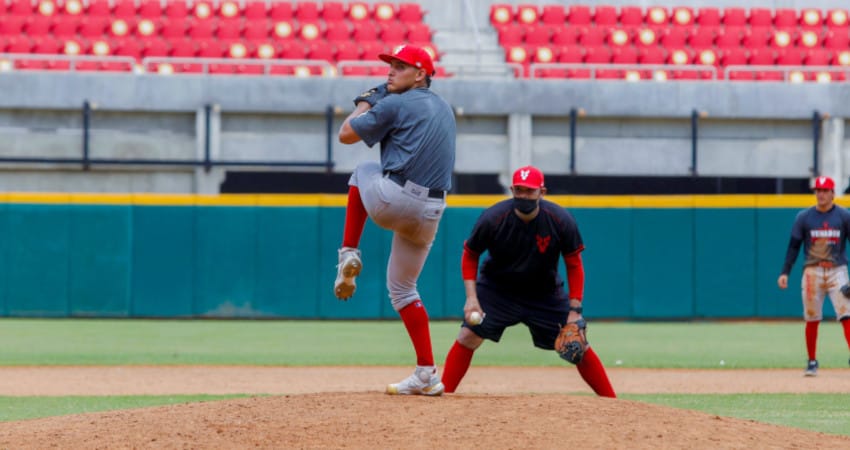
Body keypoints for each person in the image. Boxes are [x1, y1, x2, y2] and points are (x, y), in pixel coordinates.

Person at [335, 44, 456, 396]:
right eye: (390, 65)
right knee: (403, 290)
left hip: (397, 198)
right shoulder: (445, 108)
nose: (390, 71)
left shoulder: (393, 102)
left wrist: (365, 102)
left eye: (401, 66)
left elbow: (345, 134)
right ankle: (426, 373)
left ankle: (348, 252)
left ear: (421, 74)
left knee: (361, 170)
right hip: (432, 211)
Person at [441, 165, 616, 397]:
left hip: (544, 292)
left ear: (542, 192)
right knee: (467, 336)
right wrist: (471, 298)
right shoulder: (493, 218)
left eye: (529, 191)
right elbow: (470, 254)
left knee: (577, 344)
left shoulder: (560, 220)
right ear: (512, 189)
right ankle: (443, 396)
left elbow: (574, 264)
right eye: (519, 190)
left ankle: (613, 403)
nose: (523, 195)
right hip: (497, 290)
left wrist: (575, 310)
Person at [777, 175, 850, 376]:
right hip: (812, 272)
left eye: (826, 190)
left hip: (837, 270)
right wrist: (785, 272)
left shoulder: (844, 216)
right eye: (818, 190)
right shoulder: (804, 217)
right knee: (812, 318)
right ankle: (811, 361)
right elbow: (793, 246)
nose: (821, 194)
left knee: (846, 315)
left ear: (833, 193)